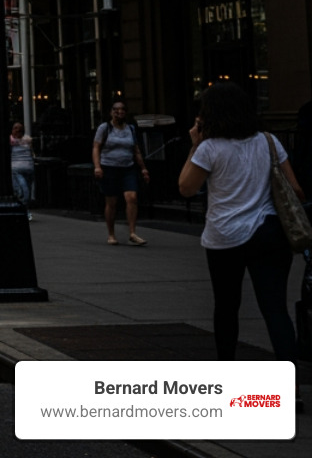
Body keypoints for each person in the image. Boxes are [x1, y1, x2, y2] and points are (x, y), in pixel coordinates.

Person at [178, 83, 304, 361]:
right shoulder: (268, 141)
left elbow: (186, 188)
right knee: (275, 310)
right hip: (270, 232)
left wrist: (194, 146)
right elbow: (295, 190)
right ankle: (290, 386)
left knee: (226, 308)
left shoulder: (209, 148)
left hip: (225, 236)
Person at [92, 100, 150, 245]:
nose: (120, 112)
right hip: (109, 167)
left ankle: (132, 233)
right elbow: (96, 147)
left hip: (127, 168)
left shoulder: (130, 129)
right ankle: (111, 234)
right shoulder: (104, 128)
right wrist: (97, 166)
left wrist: (143, 168)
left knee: (132, 197)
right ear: (111, 112)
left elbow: (136, 150)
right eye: (116, 110)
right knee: (111, 202)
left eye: (123, 109)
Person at [10, 121, 35, 220]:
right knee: (23, 190)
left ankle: (23, 210)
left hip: (28, 169)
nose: (18, 130)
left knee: (27, 190)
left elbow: (32, 152)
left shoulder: (28, 140)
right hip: (17, 169)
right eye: (15, 128)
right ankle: (23, 210)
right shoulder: (10, 140)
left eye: (20, 128)